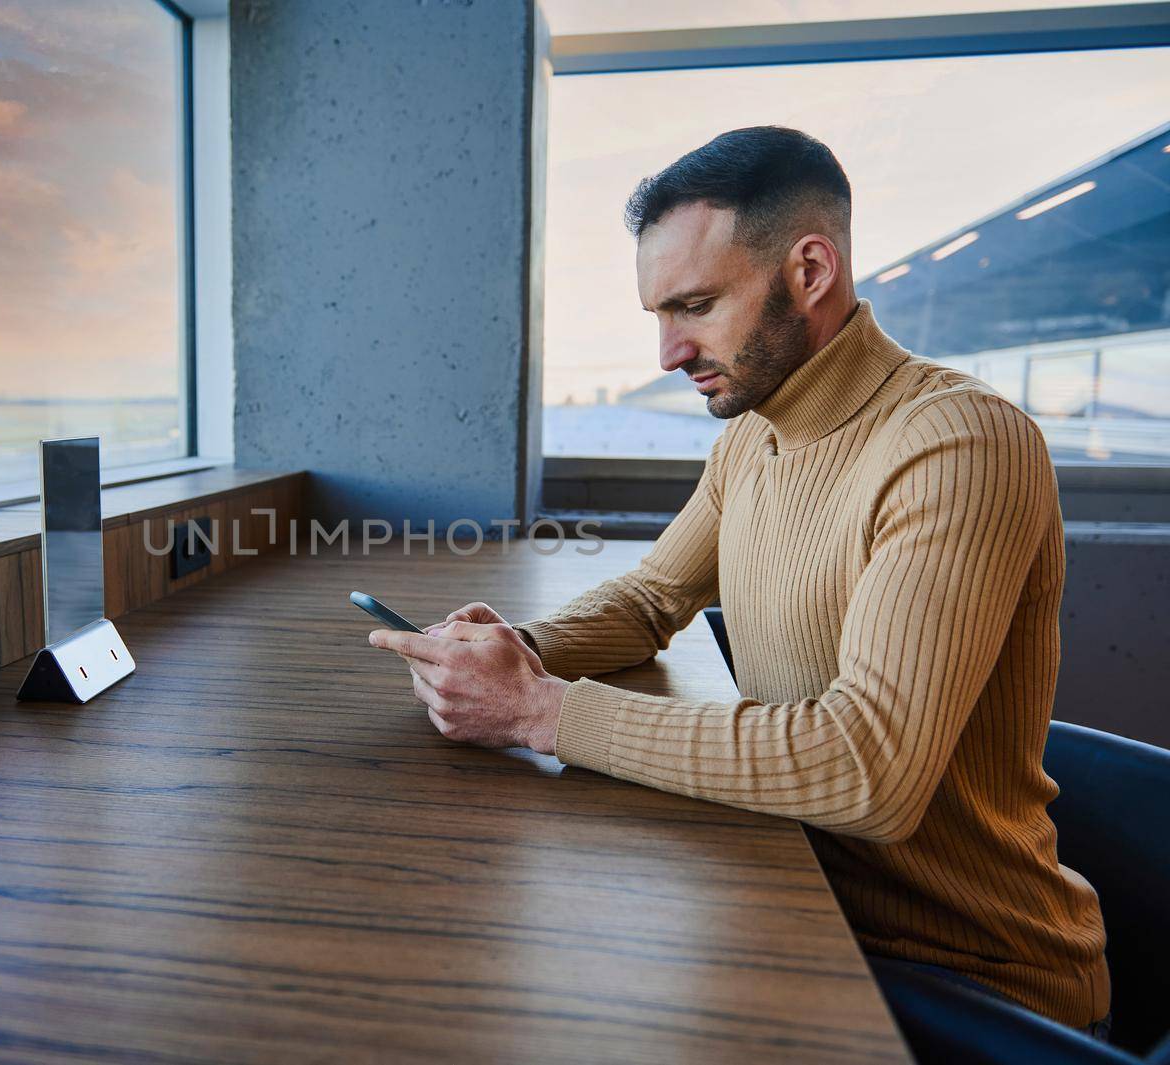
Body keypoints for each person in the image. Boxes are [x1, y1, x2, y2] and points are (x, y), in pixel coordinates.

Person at [368, 126, 1111, 1034]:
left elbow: (867, 767)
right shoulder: (752, 441)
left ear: (809, 271)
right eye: (658, 316)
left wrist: (539, 711)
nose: (669, 354)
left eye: (696, 305)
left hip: (970, 981)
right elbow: (649, 601)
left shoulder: (960, 443)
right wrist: (507, 656)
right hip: (809, 912)